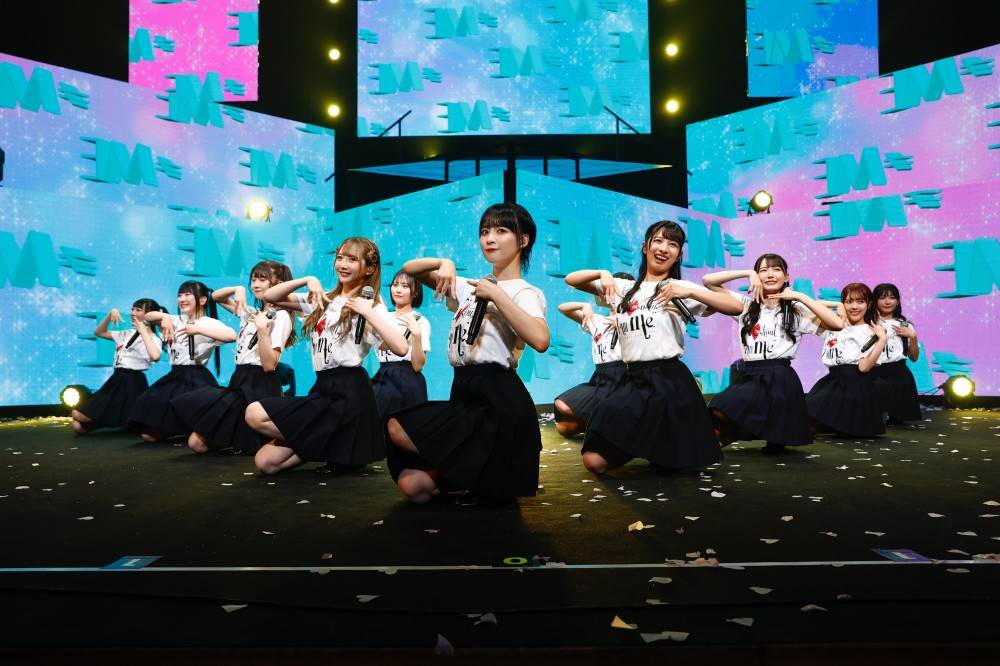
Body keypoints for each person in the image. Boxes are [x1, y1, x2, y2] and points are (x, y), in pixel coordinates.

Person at [386, 203, 550, 504]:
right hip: (464, 389)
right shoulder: (469, 287)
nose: (490, 238)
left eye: (501, 230)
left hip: (499, 398)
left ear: (523, 240)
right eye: (485, 231)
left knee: (406, 446)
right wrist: (444, 262)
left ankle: (490, 476)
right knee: (412, 485)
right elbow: (410, 268)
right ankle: (478, 476)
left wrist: (497, 296)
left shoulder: (524, 292)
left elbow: (540, 340)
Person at [565, 220, 742, 474]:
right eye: (658, 241)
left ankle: (662, 448)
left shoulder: (680, 289)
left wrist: (690, 292)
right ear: (645, 247)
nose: (663, 248)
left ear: (679, 255)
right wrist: (602, 273)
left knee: (672, 468)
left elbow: (736, 307)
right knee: (594, 461)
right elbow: (572, 279)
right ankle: (648, 446)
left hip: (669, 383)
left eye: (672, 244)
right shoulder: (623, 288)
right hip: (632, 380)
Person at [244, 237, 408, 475]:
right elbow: (270, 296)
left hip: (350, 392)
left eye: (352, 259)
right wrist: (308, 280)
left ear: (370, 268)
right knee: (266, 462)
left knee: (255, 413)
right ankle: (335, 442)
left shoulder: (371, 305)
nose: (343, 264)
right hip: (322, 389)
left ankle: (340, 442)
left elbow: (401, 347)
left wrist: (368, 312)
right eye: (340, 258)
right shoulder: (324, 299)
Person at [702, 254, 843, 453]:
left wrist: (800, 297)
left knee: (774, 440)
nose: (770, 274)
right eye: (763, 270)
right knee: (720, 409)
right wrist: (747, 273)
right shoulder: (745, 305)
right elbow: (708, 281)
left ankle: (762, 439)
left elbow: (837, 324)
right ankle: (721, 440)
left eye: (776, 269)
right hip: (751, 374)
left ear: (786, 277)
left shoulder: (796, 310)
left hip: (780, 378)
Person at [172, 261, 296, 454]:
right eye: (253, 279)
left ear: (279, 284)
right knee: (196, 442)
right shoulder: (252, 313)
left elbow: (269, 365)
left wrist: (263, 331)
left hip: (259, 384)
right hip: (239, 380)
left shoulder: (281, 317)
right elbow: (216, 297)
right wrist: (238, 288)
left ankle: (287, 439)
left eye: (262, 279)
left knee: (244, 444)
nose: (255, 284)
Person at [127, 281, 235, 441]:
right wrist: (164, 316)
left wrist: (197, 329)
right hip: (175, 376)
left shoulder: (209, 322)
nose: (182, 299)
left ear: (203, 300)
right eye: (179, 295)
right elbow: (149, 317)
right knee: (147, 417)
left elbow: (232, 335)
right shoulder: (174, 319)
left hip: (196, 377)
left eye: (187, 294)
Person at [71, 298, 165, 433]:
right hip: (117, 379)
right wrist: (110, 314)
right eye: (132, 309)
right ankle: (119, 421)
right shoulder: (127, 333)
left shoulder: (154, 339)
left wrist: (143, 331)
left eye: (138, 310)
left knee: (78, 415)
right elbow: (99, 332)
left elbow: (155, 357)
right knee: (78, 426)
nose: (132, 313)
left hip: (133, 382)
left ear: (150, 315)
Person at [807, 283, 887, 438]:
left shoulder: (871, 331)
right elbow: (809, 306)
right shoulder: (834, 324)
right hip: (832, 381)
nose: (854, 307)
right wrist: (837, 305)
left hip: (854, 387)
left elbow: (864, 368)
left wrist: (882, 340)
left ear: (869, 304)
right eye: (849, 302)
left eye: (860, 301)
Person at [371, 270, 431, 417]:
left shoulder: (420, 320)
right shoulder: (382, 317)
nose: (398, 290)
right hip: (382, 377)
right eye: (395, 284)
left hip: (408, 380)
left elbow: (418, 366)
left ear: (415, 292)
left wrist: (416, 335)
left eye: (405, 286)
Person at [870, 283, 921, 423]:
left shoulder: (905, 325)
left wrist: (913, 337)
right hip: (874, 371)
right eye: (882, 298)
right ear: (874, 301)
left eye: (892, 298)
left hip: (898, 373)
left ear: (898, 301)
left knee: (898, 421)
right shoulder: (868, 323)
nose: (887, 302)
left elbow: (914, 358)